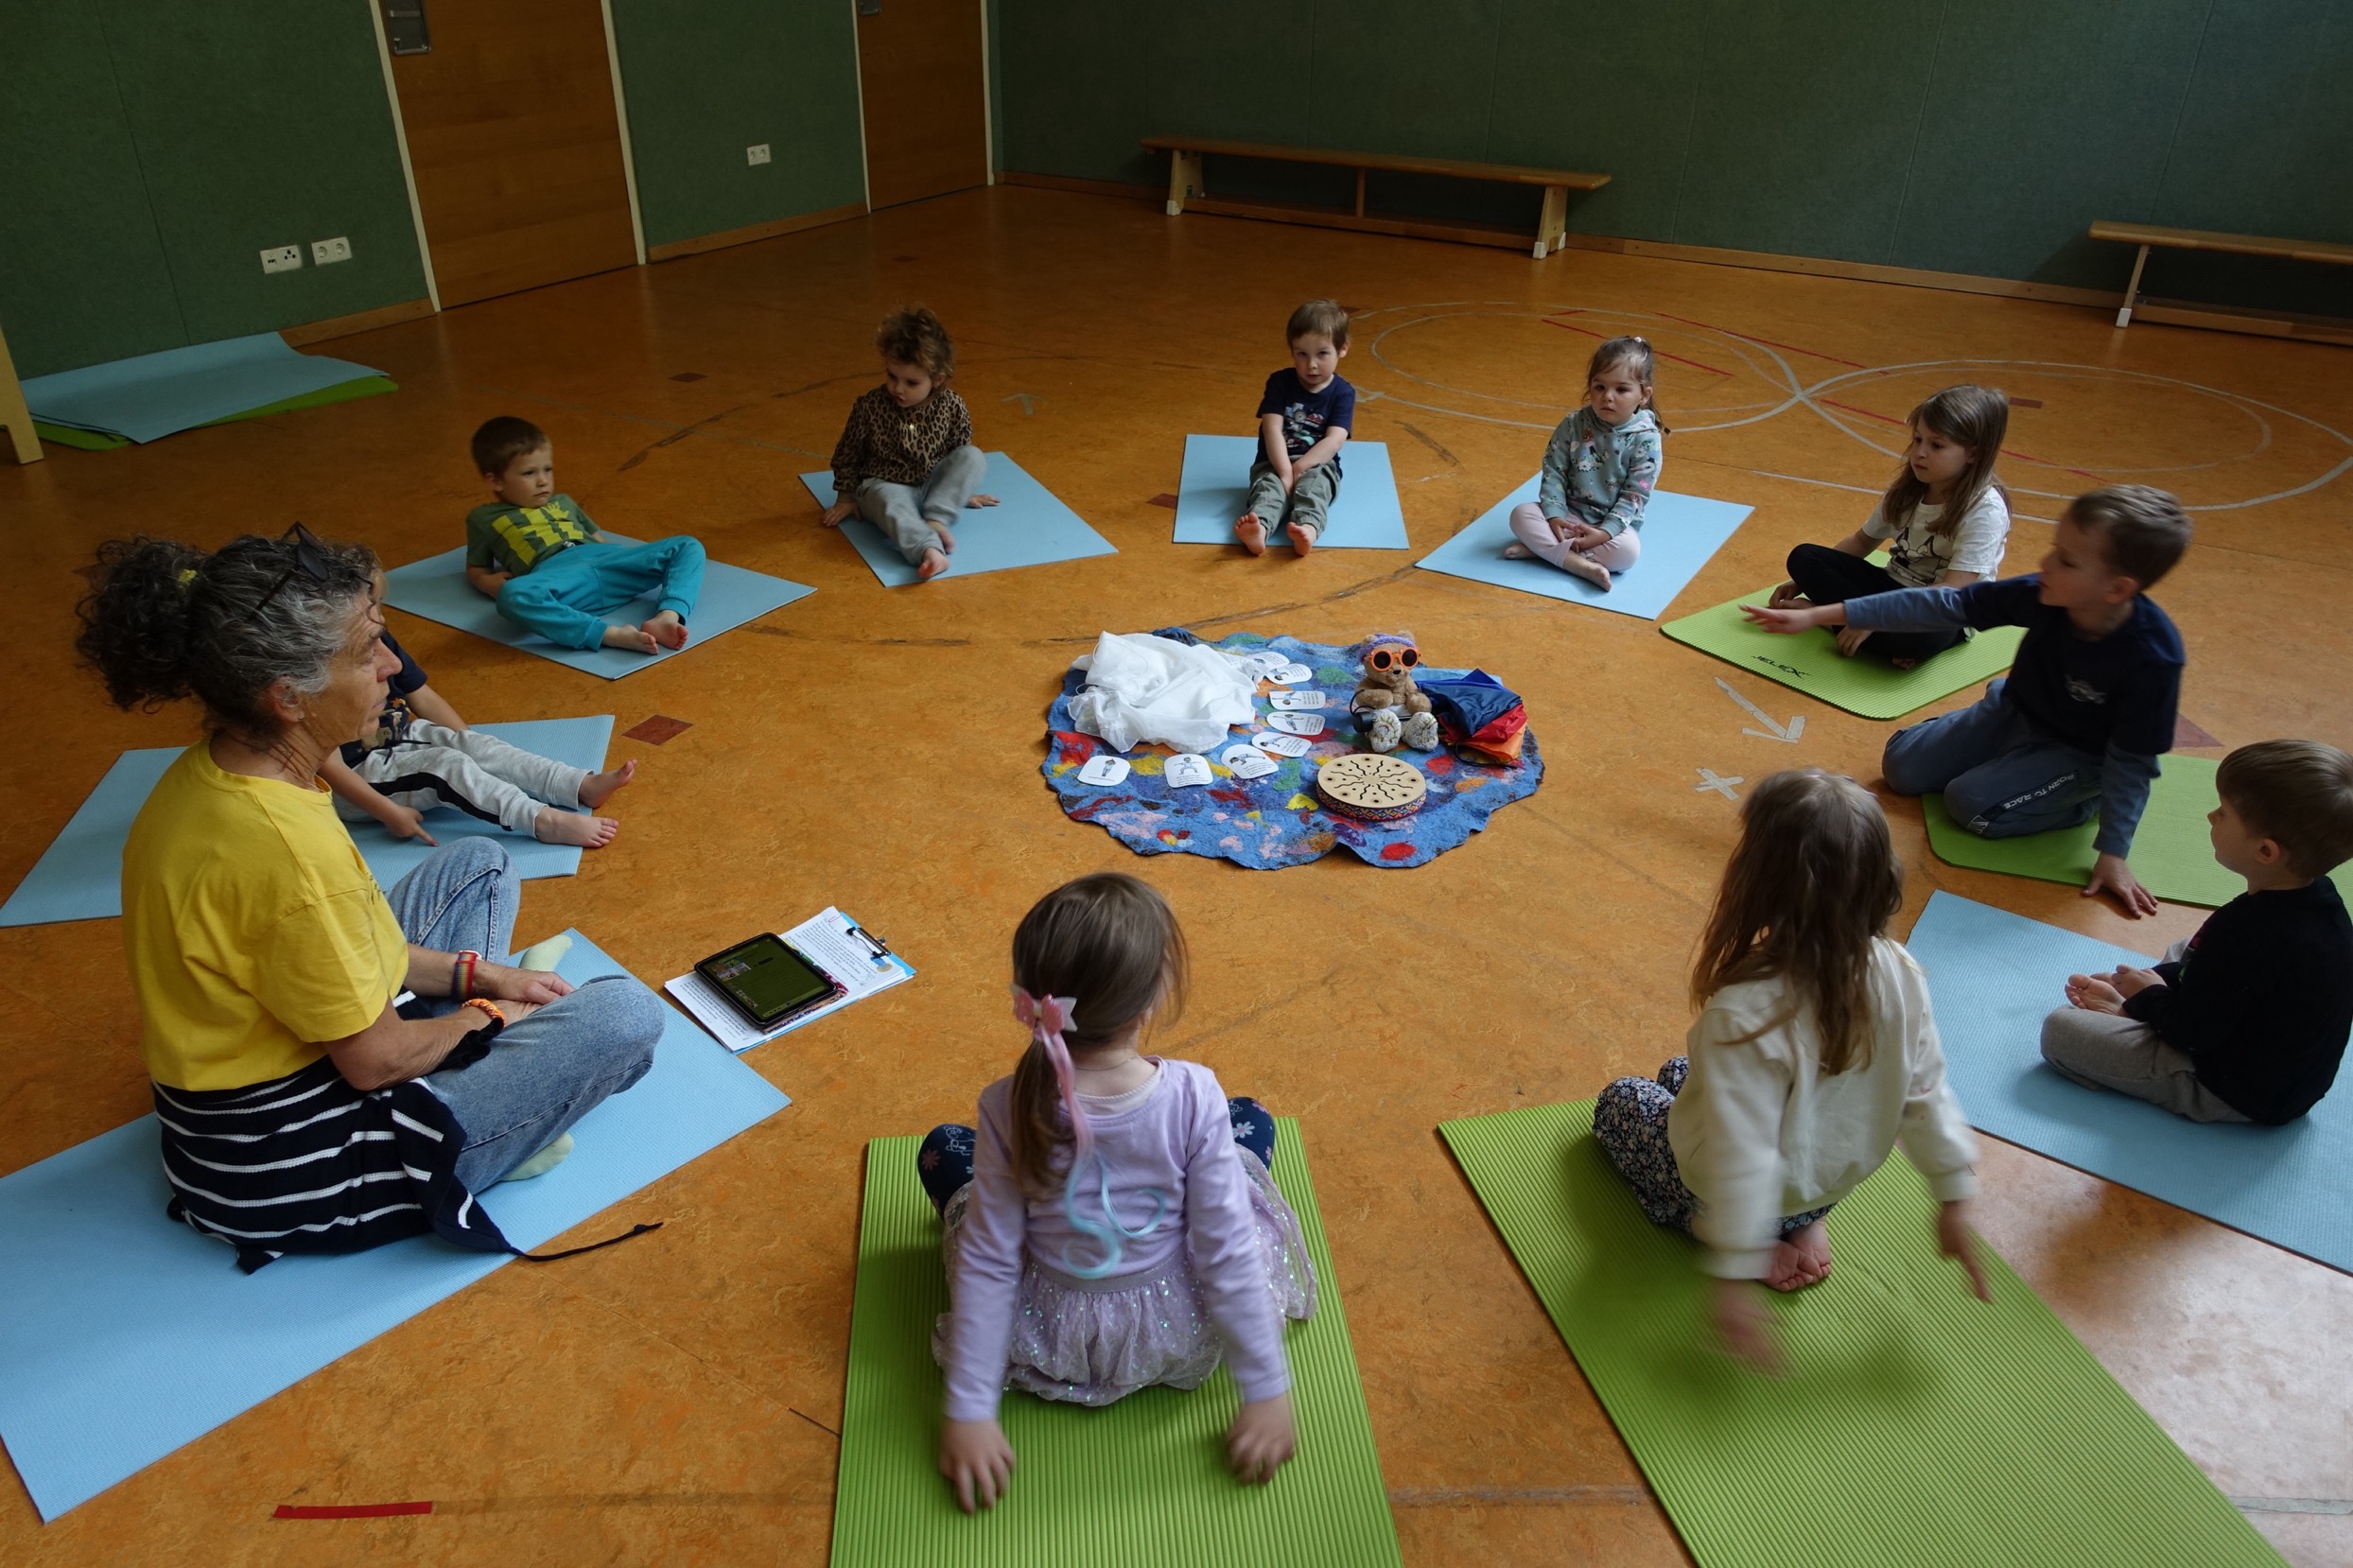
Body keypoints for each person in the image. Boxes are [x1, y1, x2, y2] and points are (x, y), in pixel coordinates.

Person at [78, 527, 662, 1272]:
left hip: (286, 1067)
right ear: (288, 697)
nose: (390, 665)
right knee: (626, 1017)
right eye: (365, 652)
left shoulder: (220, 774)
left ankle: (471, 1073)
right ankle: (474, 1136)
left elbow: (335, 944)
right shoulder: (284, 853)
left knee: (480, 865)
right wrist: (490, 1016)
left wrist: (483, 973)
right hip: (295, 1167)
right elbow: (375, 1061)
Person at [920, 874, 1316, 1511]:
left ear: (1031, 997)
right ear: (1152, 1000)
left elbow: (991, 1261)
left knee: (944, 1146)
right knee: (1250, 1120)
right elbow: (1227, 1252)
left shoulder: (1003, 1104)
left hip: (1049, 1335)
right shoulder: (1195, 1094)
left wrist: (970, 1409)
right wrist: (1266, 1390)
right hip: (1173, 1330)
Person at [1593, 770, 1988, 1370]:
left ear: (1758, 883)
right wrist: (1954, 1194)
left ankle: (1732, 1234)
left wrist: (1734, 1267)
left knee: (1621, 1099)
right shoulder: (1901, 969)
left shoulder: (1744, 1016)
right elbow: (1926, 1090)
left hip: (1741, 1197)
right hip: (1829, 1185)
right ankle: (1805, 1224)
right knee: (1680, 1070)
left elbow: (1744, 1154)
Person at [1742, 484, 2192, 918]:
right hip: (2014, 711)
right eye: (2055, 549)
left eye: (2067, 560)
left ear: (2117, 589)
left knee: (1971, 805)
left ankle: (2081, 798)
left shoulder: (2154, 658)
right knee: (1901, 768)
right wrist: (1824, 614)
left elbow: (2133, 761)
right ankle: (1997, 751)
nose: (2046, 563)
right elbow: (1940, 606)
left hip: (2079, 754)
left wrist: (2113, 851)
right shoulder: (2044, 592)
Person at [2042, 740, 2353, 1124]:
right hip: (2286, 1073)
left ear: (2265, 852)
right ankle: (2149, 1003)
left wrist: (2146, 998)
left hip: (2233, 1090)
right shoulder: (2321, 901)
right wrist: (2162, 982)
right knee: (2186, 948)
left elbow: (2191, 1035)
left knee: (2061, 1031)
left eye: (2223, 813)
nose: (2210, 816)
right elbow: (2232, 977)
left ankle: (2126, 1024)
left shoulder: (2244, 935)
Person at [321, 614, 636, 850]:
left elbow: (423, 697)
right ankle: (543, 821)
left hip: (405, 738)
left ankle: (576, 785)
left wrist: (470, 743)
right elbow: (329, 766)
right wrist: (389, 813)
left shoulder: (378, 639)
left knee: (475, 748)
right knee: (448, 766)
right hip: (358, 778)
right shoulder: (321, 670)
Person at [1768, 384, 2011, 666]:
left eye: (1937, 445)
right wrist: (1800, 582)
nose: (1920, 453)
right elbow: (1861, 542)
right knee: (1804, 557)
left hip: (1942, 608)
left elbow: (1952, 591)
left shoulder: (1985, 510)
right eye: (1917, 439)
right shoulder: (1909, 489)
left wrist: (1874, 615)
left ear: (1973, 455)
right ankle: (1856, 626)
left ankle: (1825, 617)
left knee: (1917, 641)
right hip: (1891, 587)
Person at [464, 416, 705, 653]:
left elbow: (597, 536)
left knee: (687, 546)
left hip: (606, 561)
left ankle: (667, 617)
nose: (543, 481)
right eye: (529, 473)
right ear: (495, 480)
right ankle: (608, 635)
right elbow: (477, 567)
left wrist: (627, 563)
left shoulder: (563, 501)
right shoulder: (483, 519)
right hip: (560, 578)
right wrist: (487, 583)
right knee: (511, 595)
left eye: (547, 469)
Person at [822, 305, 999, 582]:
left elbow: (958, 452)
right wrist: (846, 497)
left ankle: (936, 519)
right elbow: (848, 453)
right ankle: (928, 549)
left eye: (911, 382)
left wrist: (959, 492)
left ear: (937, 379)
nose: (898, 388)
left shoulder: (952, 405)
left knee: (973, 455)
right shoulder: (870, 406)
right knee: (889, 501)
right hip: (884, 485)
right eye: (892, 376)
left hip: (930, 487)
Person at [1504, 335, 1666, 592]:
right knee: (1520, 515)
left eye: (1621, 390)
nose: (1607, 397)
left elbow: (1635, 495)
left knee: (1628, 553)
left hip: (1609, 528)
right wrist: (1555, 516)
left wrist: (1604, 533)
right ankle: (1578, 564)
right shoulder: (1573, 424)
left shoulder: (1646, 439)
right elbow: (1554, 472)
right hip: (1568, 516)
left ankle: (1544, 550)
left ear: (1644, 395)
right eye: (1599, 387)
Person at [1235, 299, 1355, 558]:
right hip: (1274, 462)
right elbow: (1272, 429)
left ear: (1342, 349)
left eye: (1322, 354)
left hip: (1318, 465)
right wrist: (1284, 472)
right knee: (1268, 491)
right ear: (1292, 350)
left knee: (1313, 491)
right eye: (1302, 354)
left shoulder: (1343, 392)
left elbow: (1334, 440)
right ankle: (1260, 531)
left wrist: (1300, 469)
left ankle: (1307, 530)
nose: (1311, 364)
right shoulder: (1279, 382)